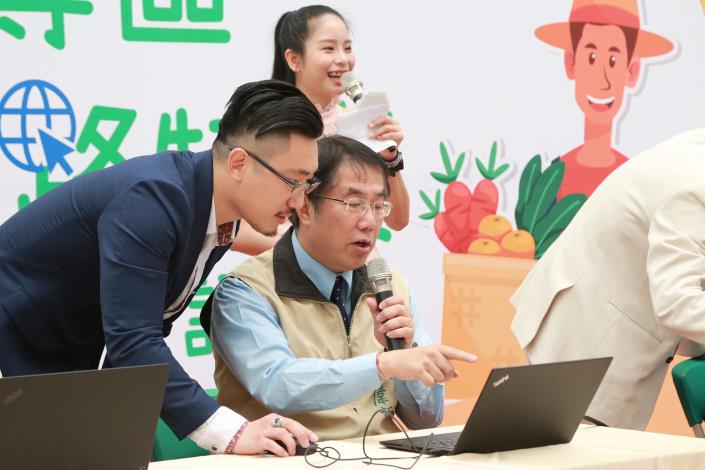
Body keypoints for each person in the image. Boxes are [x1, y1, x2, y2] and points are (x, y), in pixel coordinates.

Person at [0, 80, 325, 457]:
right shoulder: (153, 201)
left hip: (60, 341)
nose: (299, 200)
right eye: (292, 181)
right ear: (239, 164)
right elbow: (133, 340)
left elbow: (144, 331)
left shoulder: (218, 215)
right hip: (16, 327)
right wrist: (231, 432)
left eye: (308, 183)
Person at [207, 136, 476, 440]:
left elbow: (426, 420)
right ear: (305, 206)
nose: (369, 222)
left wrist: (405, 352)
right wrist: (383, 365)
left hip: (380, 457)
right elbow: (277, 385)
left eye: (378, 206)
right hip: (294, 457)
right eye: (354, 204)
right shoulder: (246, 291)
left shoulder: (391, 285)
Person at [510, 128, 705, 430]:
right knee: (577, 450)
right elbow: (677, 303)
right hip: (592, 342)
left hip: (598, 320)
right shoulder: (696, 187)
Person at [232, 5, 410, 254]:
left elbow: (398, 220)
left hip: (353, 267)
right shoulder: (267, 126)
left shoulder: (357, 123)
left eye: (347, 48)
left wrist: (390, 159)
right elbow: (233, 227)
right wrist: (300, 256)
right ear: (294, 59)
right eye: (328, 48)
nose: (343, 59)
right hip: (286, 267)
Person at [535, 0, 673, 199]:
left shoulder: (632, 179)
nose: (602, 81)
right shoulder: (552, 179)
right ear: (571, 62)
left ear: (632, 71)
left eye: (613, 61)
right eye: (591, 58)